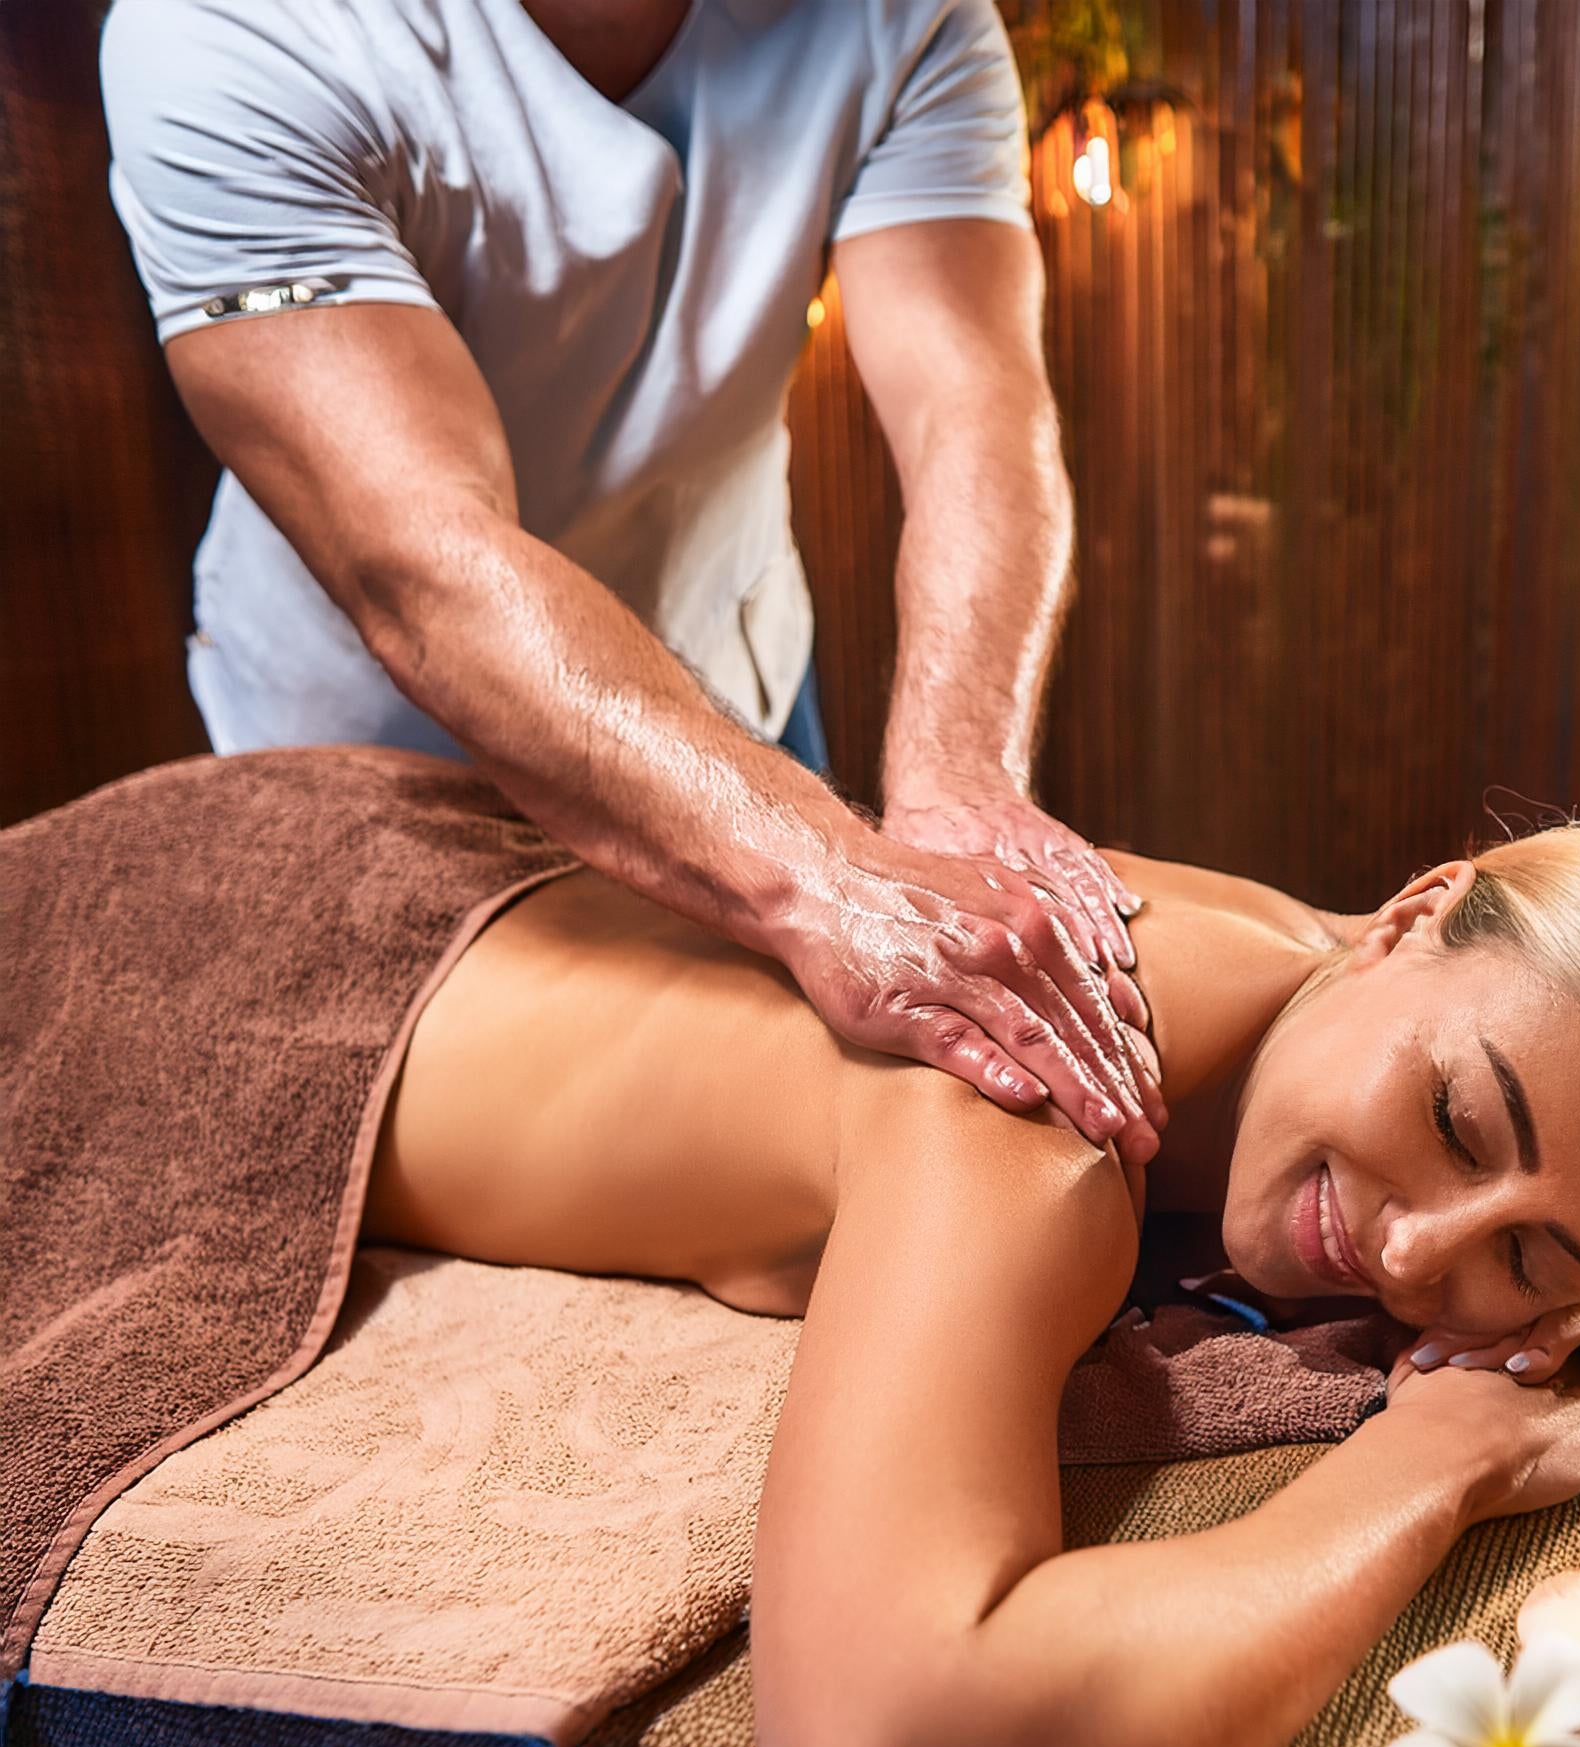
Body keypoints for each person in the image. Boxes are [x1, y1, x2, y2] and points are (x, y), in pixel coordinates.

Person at [359, 787, 1580, 1747]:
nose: (1417, 1258)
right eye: (1458, 1125)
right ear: (1413, 913)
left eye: (1532, 1257)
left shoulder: (1353, 971)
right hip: (321, 951)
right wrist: (1430, 1463)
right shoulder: (1032, 1101)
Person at [97, 0, 1164, 1157]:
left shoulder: (904, 20)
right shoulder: (229, 29)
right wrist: (823, 875)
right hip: (371, 748)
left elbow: (977, 416)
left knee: (860, 1095)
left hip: (725, 682)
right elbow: (423, 561)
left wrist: (960, 781)